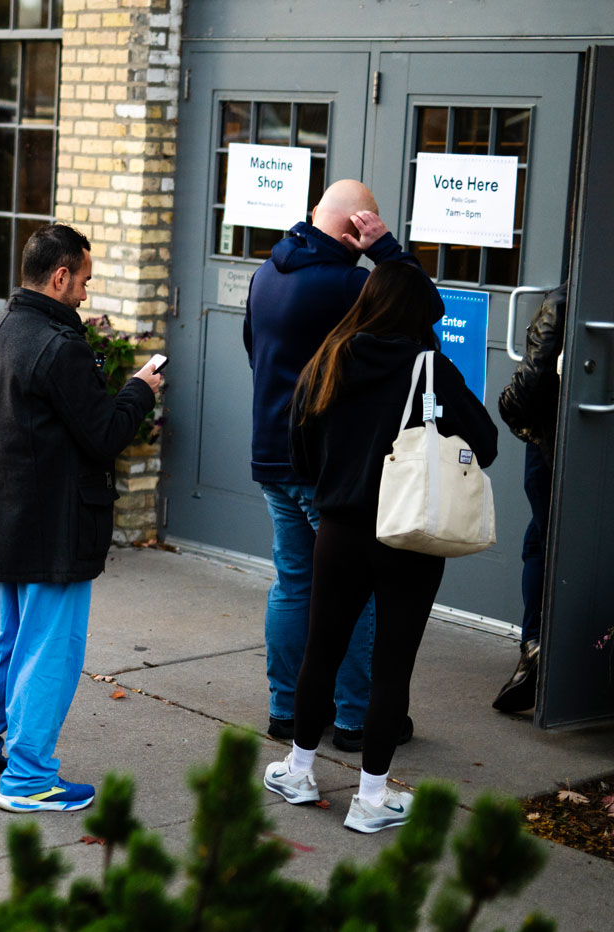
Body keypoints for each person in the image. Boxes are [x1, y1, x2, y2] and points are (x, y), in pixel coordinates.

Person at [264, 261, 497, 834]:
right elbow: (486, 444)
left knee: (322, 650)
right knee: (393, 665)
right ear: (418, 316)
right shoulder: (431, 369)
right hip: (409, 536)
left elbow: (298, 448)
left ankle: (298, 768)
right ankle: (371, 799)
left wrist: (338, 483)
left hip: (338, 529)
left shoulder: (329, 357)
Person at [0, 223, 162, 813]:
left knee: (4, 638)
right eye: (85, 281)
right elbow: (106, 434)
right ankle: (28, 778)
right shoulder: (57, 347)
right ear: (60, 276)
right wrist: (139, 390)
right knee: (49, 650)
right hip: (53, 526)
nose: (87, 295)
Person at [244, 179, 421, 753]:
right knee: (356, 591)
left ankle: (287, 711)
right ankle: (354, 718)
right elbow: (422, 319)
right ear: (358, 227)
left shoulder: (267, 273)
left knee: (295, 583)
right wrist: (389, 252)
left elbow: (254, 349)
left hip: (273, 452)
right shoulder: (351, 284)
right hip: (329, 467)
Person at [491, 282, 567, 713]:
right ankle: (538, 646)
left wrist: (512, 409)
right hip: (579, 430)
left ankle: (536, 645)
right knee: (544, 538)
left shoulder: (561, 299)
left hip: (552, 437)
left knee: (542, 540)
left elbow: (534, 375)